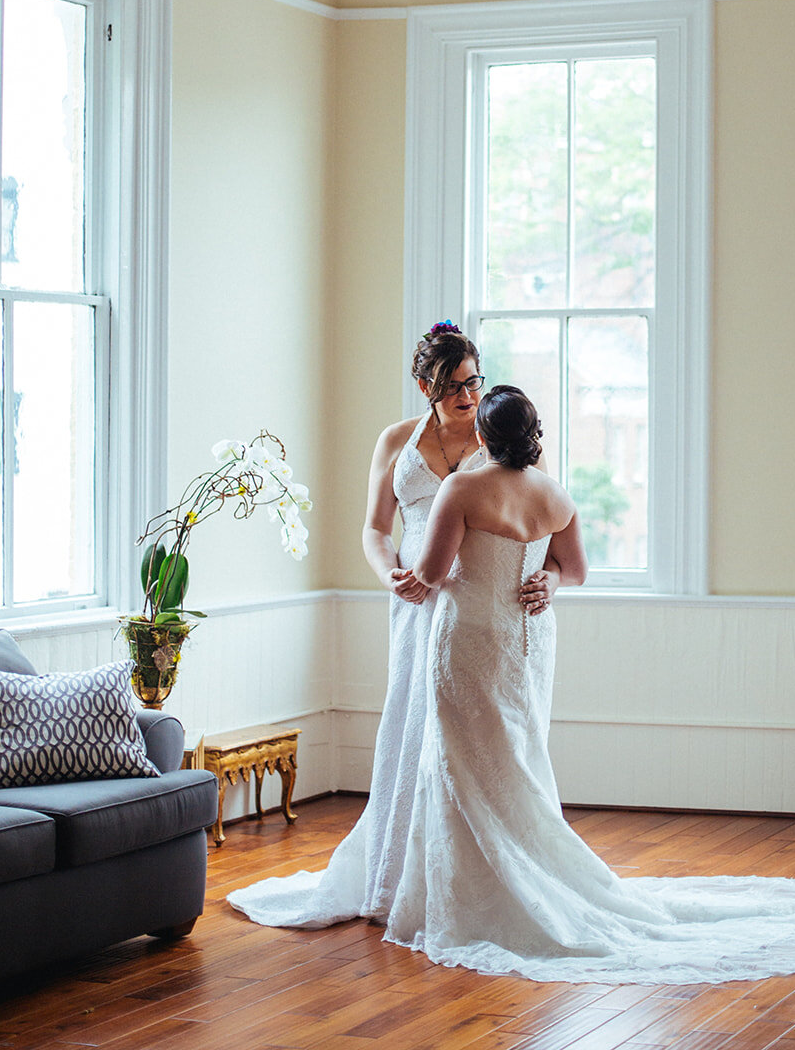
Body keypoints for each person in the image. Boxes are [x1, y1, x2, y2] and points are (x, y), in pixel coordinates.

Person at [383, 386, 795, 985]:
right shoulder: (555, 494)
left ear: (483, 437)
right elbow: (577, 569)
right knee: (518, 760)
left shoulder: (461, 488)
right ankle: (530, 874)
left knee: (463, 761)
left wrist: (400, 576)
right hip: (525, 643)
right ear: (534, 434)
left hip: (469, 640)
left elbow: (431, 574)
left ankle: (481, 896)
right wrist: (548, 584)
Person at [227, 327, 566, 929]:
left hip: (477, 601)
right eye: (452, 386)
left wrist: (552, 580)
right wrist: (390, 574)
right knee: (413, 723)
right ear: (424, 386)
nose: (465, 396)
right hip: (415, 599)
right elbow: (374, 528)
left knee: (477, 736)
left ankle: (480, 873)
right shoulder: (395, 441)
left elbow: (546, 528)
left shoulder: (506, 441)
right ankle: (399, 869)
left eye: (472, 383)